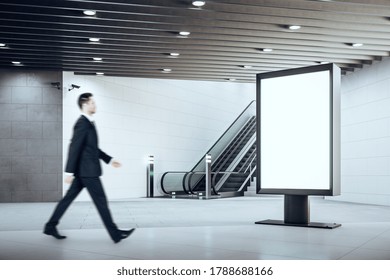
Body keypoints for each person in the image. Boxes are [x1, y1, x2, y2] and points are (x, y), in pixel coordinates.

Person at [43, 93, 134, 243]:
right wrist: (69, 172)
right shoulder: (82, 123)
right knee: (101, 201)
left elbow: (92, 149)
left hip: (83, 171)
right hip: (88, 172)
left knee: (67, 199)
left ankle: (50, 226)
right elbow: (74, 147)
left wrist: (109, 160)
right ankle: (115, 234)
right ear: (85, 105)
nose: (95, 105)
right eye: (92, 103)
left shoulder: (89, 123)